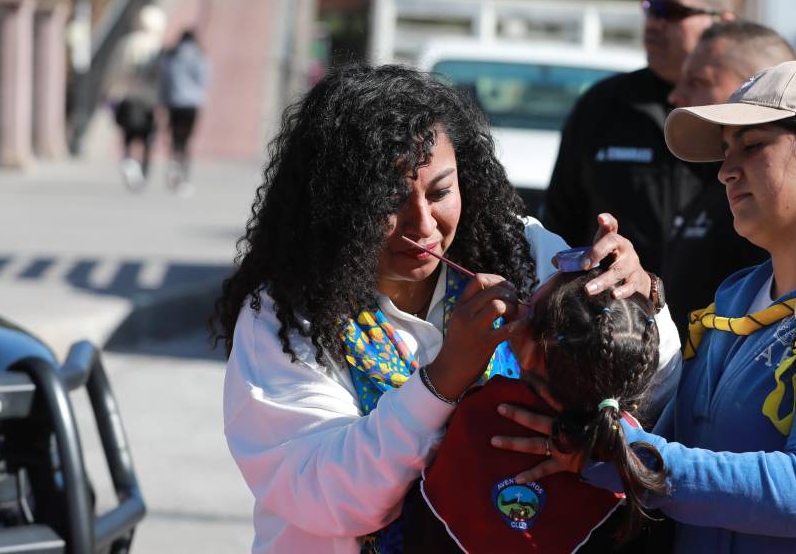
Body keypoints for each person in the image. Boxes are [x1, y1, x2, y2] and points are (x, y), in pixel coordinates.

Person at [215, 63, 682, 554]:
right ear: (334, 204)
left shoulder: (522, 251)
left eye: (440, 191)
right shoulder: (285, 314)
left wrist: (639, 296)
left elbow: (659, 391)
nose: (422, 225)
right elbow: (332, 499)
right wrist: (445, 377)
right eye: (387, 201)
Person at [495, 60, 796, 553]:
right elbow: (676, 442)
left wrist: (626, 457)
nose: (727, 171)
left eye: (752, 147)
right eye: (726, 151)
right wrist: (583, 439)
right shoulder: (738, 292)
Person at [406, 265, 667, 553]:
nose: (516, 310)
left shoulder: (475, 417)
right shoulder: (643, 457)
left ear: (532, 352)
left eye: (528, 306)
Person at [543, 0, 744, 275]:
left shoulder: (748, 118)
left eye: (671, 11)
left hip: (723, 320)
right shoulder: (603, 105)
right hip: (615, 318)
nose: (653, 22)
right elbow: (558, 228)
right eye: (650, 7)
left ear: (722, 23)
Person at [664, 20, 795, 329]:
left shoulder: (772, 204)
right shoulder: (715, 182)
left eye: (697, 81)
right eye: (727, 150)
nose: (676, 94)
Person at [105, 5, 165, 190]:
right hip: (149, 100)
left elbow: (113, 72)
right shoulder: (158, 46)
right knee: (147, 137)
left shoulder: (126, 44)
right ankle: (143, 170)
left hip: (127, 97)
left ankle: (129, 162)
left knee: (128, 135)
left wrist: (109, 93)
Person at [158, 29, 208, 197]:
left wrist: (163, 101)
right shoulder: (199, 56)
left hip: (173, 102)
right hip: (191, 104)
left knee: (174, 138)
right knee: (186, 141)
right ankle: (184, 177)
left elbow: (164, 81)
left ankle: (173, 168)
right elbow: (203, 80)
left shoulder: (170, 56)